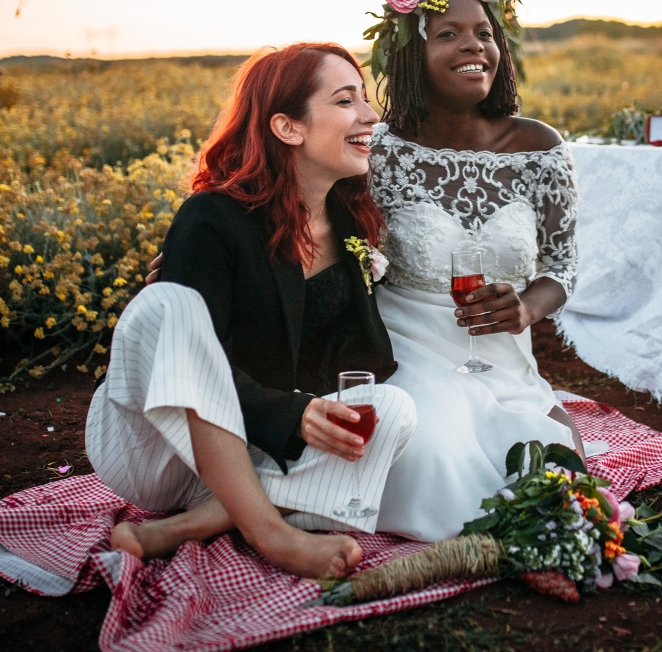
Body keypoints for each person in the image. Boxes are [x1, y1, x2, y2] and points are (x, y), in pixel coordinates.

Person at [86, 43, 416, 580]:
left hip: (253, 451)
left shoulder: (351, 224)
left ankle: (189, 525)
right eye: (345, 100)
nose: (370, 115)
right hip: (161, 446)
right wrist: (291, 414)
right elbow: (194, 366)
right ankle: (272, 532)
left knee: (393, 409)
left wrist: (317, 410)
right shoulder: (213, 218)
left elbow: (356, 361)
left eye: (366, 99)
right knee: (170, 303)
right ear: (288, 128)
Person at [364, 0, 582, 542]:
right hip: (406, 347)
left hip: (503, 353)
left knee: (553, 467)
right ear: (413, 53)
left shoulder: (538, 146)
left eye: (485, 33)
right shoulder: (376, 151)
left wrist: (528, 307)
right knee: (433, 454)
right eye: (449, 34)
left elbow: (563, 264)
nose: (474, 46)